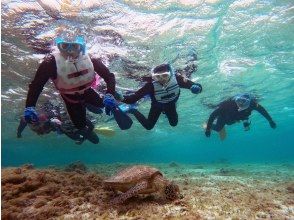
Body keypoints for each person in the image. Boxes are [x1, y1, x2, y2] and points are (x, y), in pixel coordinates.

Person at [23, 35, 131, 144]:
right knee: (79, 125)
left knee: (101, 104)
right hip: (70, 99)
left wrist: (110, 94)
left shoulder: (91, 58)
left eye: (74, 46)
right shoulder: (49, 63)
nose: (70, 51)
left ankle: (113, 100)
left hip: (87, 92)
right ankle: (96, 109)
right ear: (58, 47)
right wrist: (29, 106)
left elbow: (109, 76)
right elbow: (36, 85)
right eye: (64, 46)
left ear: (82, 46)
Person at [120, 63, 202, 130]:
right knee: (149, 126)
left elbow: (196, 86)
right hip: (156, 106)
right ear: (153, 77)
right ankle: (133, 110)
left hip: (170, 105)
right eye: (158, 77)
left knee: (174, 123)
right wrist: (118, 96)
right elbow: (132, 99)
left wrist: (197, 88)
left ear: (171, 74)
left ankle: (164, 111)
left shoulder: (178, 79)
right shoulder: (151, 85)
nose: (162, 79)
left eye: (165, 75)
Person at [204, 93, 277, 140]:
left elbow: (262, 110)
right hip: (225, 116)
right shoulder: (227, 105)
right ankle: (207, 124)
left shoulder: (253, 104)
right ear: (237, 100)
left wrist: (270, 120)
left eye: (243, 106)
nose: (240, 107)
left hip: (237, 117)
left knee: (242, 116)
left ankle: (244, 121)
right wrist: (208, 129)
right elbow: (213, 115)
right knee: (218, 128)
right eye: (239, 104)